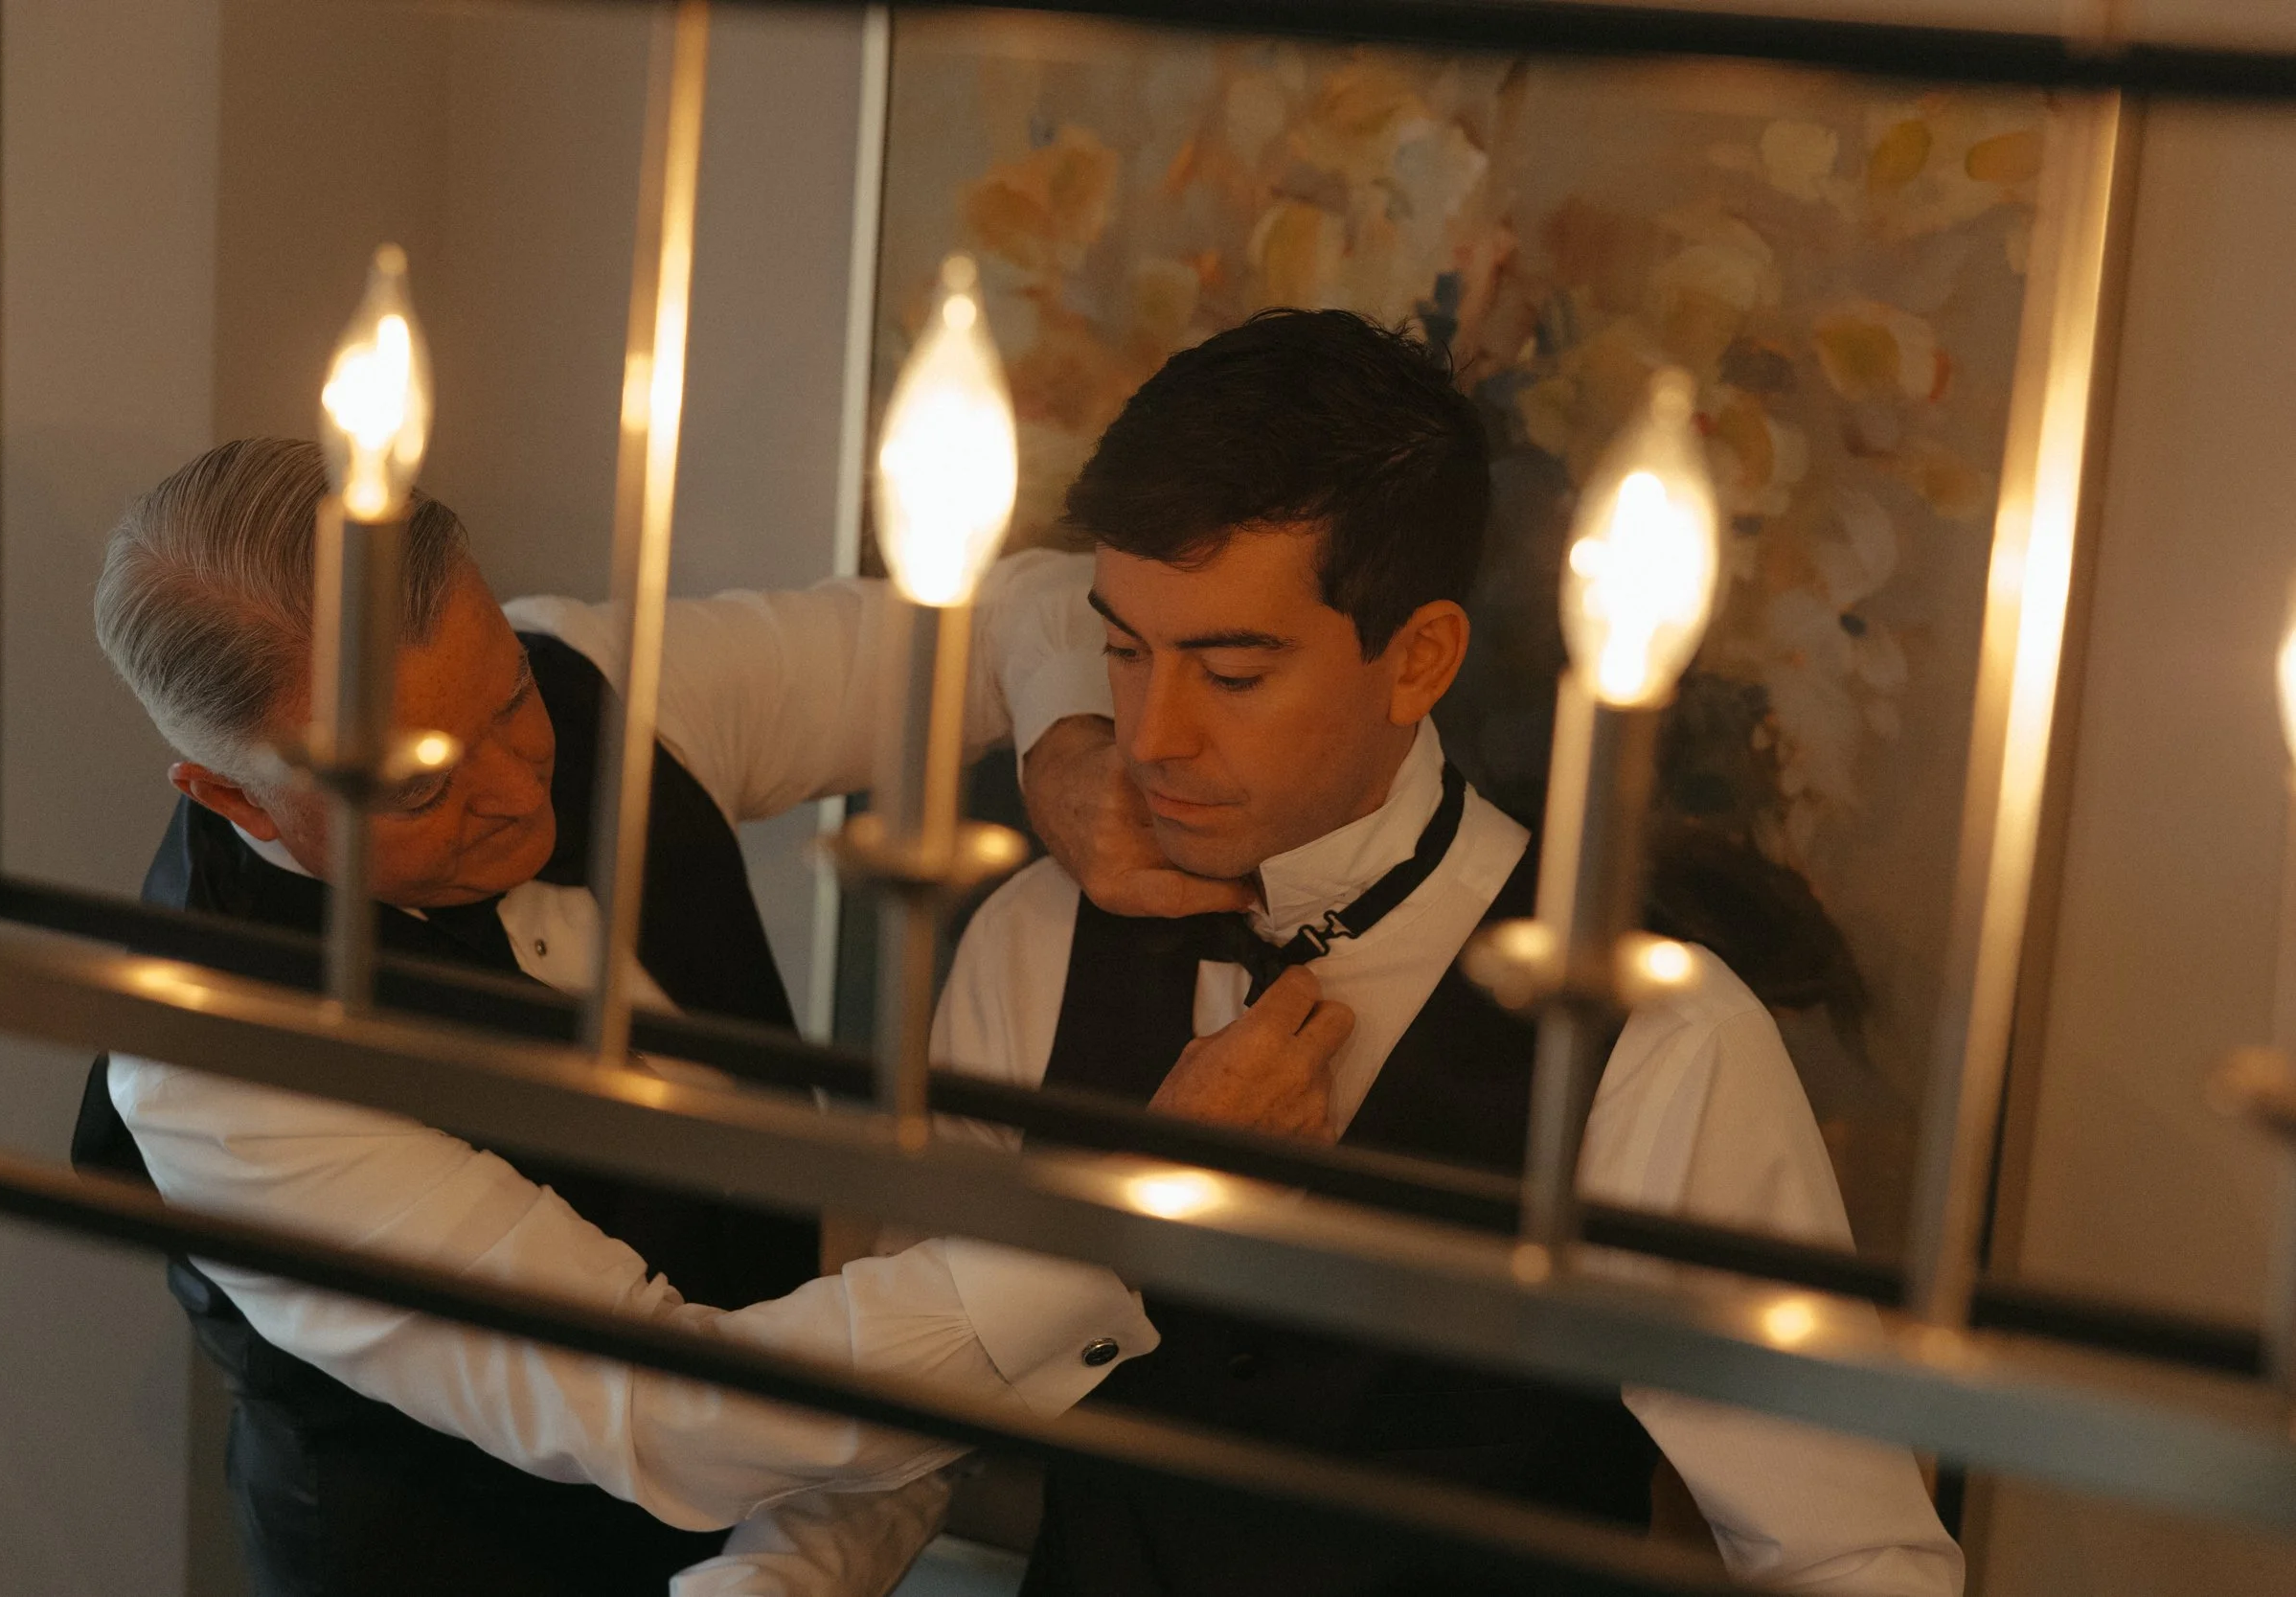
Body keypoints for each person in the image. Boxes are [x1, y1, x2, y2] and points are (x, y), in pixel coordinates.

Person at [70, 438, 1341, 1597]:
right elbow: (664, 1401)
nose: (525, 792)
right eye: (417, 783)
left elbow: (1028, 601)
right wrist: (1123, 1217)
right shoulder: (217, 1075)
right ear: (234, 801)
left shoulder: (594, 678)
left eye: (508, 702)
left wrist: (1061, 748)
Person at [827, 310, 1961, 1595]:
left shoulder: (1659, 1041)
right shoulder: (1030, 939)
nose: (1150, 737)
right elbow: (894, 1427)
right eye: (1124, 651)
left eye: (1233, 674)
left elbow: (1854, 1559)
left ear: (1417, 659)